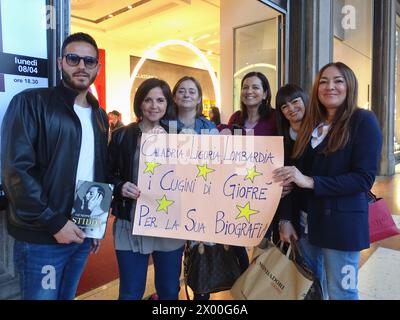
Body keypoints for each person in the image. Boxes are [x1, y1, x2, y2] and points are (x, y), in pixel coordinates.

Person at [1, 32, 109, 300]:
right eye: (73, 59)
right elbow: (16, 171)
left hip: (82, 233)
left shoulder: (99, 115)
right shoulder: (31, 102)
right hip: (42, 237)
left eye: (89, 60)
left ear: (97, 66)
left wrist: (95, 225)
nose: (81, 66)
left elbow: (96, 171)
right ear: (61, 62)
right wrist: (55, 223)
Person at [273, 62, 382, 300]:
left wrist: (311, 181)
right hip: (305, 226)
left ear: (349, 86)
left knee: (342, 292)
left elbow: (363, 178)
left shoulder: (363, 120)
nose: (329, 86)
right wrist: (286, 218)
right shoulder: (312, 124)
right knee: (309, 289)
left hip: (341, 228)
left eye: (338, 81)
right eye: (323, 81)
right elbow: (293, 178)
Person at [109, 78, 185, 300]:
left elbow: (193, 178)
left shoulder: (179, 136)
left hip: (169, 224)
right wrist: (120, 186)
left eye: (160, 100)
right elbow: (106, 173)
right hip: (130, 222)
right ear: (140, 104)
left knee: (169, 291)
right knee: (130, 292)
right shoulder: (123, 135)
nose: (154, 106)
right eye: (148, 100)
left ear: (167, 103)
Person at [227, 71, 278, 272]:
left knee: (263, 243)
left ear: (265, 93)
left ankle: (258, 285)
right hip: (239, 192)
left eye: (255, 87)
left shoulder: (275, 118)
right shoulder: (235, 118)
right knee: (235, 239)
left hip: (265, 194)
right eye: (245, 87)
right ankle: (245, 280)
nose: (249, 91)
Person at [274, 84, 309, 244]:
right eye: (284, 106)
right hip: (291, 209)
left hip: (316, 210)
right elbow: (283, 181)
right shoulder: (280, 137)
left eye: (295, 101)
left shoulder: (320, 132)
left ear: (305, 100)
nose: (291, 108)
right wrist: (285, 219)